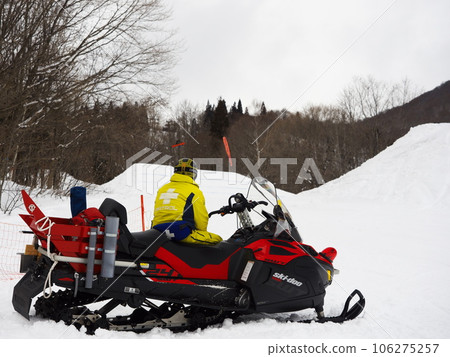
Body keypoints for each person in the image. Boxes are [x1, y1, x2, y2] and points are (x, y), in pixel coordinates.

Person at [151, 158, 222, 244]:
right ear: (193, 173)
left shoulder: (162, 189)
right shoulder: (194, 191)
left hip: (157, 232)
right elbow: (201, 223)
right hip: (179, 232)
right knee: (217, 240)